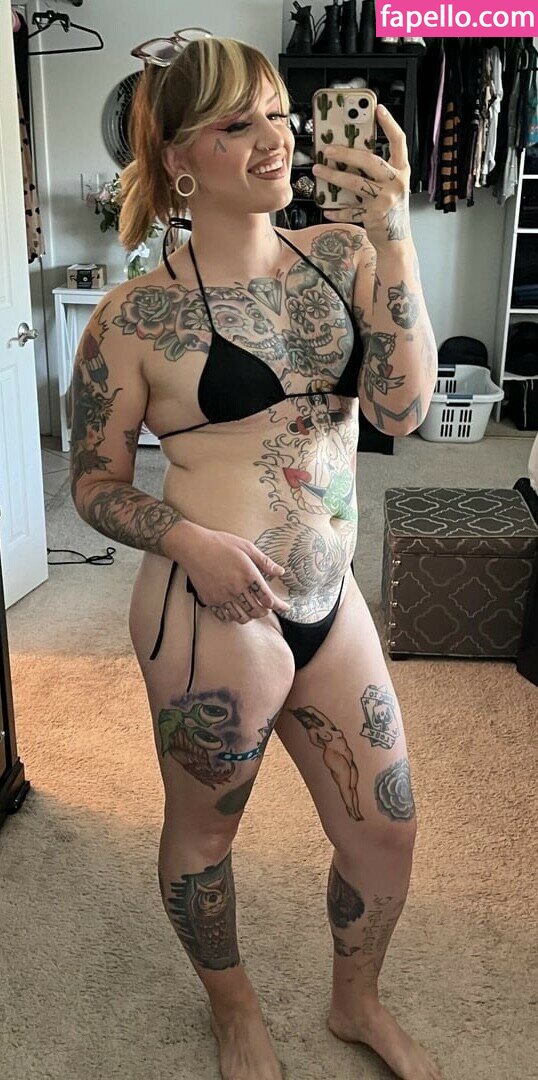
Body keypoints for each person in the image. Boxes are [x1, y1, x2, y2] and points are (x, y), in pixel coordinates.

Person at [69, 33, 441, 1080]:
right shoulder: (131, 319)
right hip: (211, 611)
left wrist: (397, 234)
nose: (274, 138)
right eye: (238, 123)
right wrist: (185, 538)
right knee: (204, 838)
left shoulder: (346, 256)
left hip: (332, 600)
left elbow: (402, 412)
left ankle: (354, 1003)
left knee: (388, 828)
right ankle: (234, 1012)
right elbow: (91, 485)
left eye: (278, 113)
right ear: (179, 158)